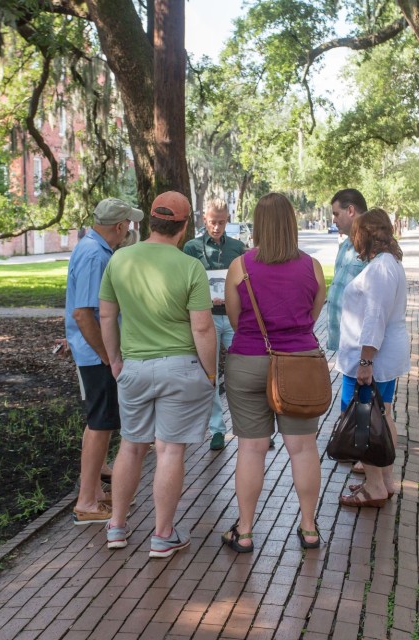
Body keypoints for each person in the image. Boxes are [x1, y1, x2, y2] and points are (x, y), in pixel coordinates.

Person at [99, 190, 217, 559]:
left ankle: (117, 526)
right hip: (180, 367)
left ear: (149, 221)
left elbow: (106, 315)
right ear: (183, 227)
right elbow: (202, 329)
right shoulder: (189, 266)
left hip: (133, 366)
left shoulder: (119, 260)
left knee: (131, 446)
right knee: (168, 449)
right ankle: (162, 535)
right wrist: (211, 373)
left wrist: (115, 360)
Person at [221, 192, 326, 552]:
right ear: (292, 223)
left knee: (251, 449)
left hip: (249, 360)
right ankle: (309, 527)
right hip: (299, 364)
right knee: (303, 448)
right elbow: (312, 317)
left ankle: (245, 531)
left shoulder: (240, 266)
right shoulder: (312, 267)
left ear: (259, 225)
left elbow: (236, 320)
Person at [65, 197, 144, 525]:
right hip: (95, 355)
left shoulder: (94, 249)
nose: (131, 228)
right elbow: (83, 313)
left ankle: (94, 492)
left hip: (95, 353)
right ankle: (87, 502)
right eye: (129, 223)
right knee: (101, 424)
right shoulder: (95, 255)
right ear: (120, 226)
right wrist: (107, 355)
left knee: (99, 422)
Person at [336, 208, 410, 508]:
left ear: (365, 235)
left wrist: (366, 362)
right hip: (383, 354)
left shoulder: (380, 268)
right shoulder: (389, 262)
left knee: (368, 421)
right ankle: (383, 480)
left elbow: (374, 316)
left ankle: (375, 485)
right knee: (384, 415)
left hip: (373, 358)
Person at [183, 199, 245, 450]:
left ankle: (249, 429)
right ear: (204, 220)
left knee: (242, 371)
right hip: (205, 317)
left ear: (227, 220)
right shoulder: (192, 247)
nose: (216, 227)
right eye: (212, 222)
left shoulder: (238, 247)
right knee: (210, 373)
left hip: (232, 316)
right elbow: (185, 282)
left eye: (221, 222)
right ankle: (217, 429)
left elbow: (246, 281)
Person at [325, 189, 368, 352]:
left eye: (336, 214)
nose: (334, 220)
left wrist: (367, 360)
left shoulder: (372, 246)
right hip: (345, 344)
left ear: (350, 210)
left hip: (361, 346)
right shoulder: (345, 246)